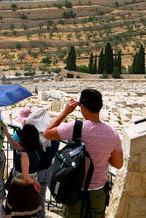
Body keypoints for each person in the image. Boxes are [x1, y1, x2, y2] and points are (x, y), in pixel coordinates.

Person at [44, 89, 124, 218]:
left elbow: (47, 134)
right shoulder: (113, 134)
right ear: (101, 106)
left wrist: (65, 112)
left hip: (73, 190)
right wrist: (103, 152)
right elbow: (118, 164)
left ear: (83, 107)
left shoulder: (75, 127)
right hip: (98, 192)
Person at [2, 124, 42, 217]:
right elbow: (16, 145)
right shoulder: (37, 149)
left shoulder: (25, 154)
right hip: (30, 188)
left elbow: (26, 177)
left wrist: (35, 183)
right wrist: (6, 132)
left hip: (22, 188)